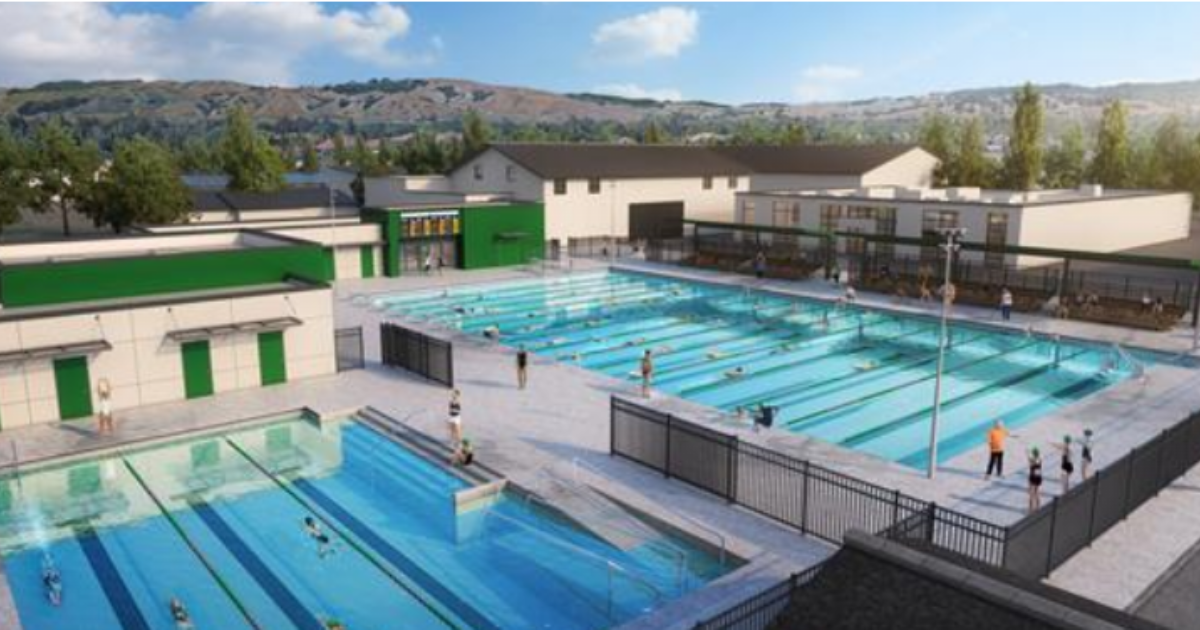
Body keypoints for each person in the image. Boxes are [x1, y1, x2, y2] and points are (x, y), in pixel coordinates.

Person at [1027, 447, 1044, 513]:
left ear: (1033, 454)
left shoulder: (1032, 460)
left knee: (1031, 493)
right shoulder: (1039, 459)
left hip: (1033, 477)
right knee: (1037, 492)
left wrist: (1027, 453)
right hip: (1038, 477)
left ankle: (1030, 509)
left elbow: (1030, 461)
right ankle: (1038, 507)